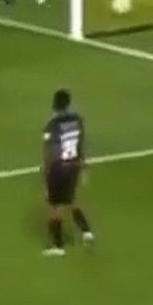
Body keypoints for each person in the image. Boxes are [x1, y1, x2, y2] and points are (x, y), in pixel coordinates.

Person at [42, 90, 94, 256]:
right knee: (73, 199)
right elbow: (81, 144)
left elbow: (51, 150)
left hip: (58, 167)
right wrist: (83, 166)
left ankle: (58, 246)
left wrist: (47, 172)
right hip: (74, 164)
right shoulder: (77, 120)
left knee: (54, 205)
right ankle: (86, 232)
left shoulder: (52, 124)